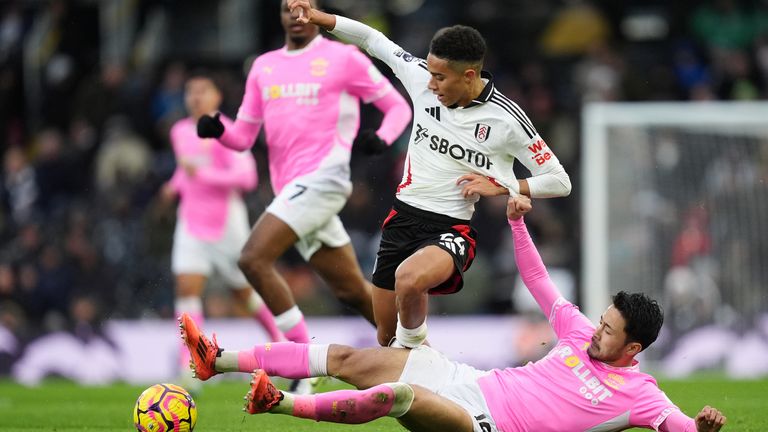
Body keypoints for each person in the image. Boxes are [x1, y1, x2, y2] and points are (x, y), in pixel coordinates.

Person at [178, 195, 727, 432]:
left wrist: (701, 428)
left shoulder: (642, 395)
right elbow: (537, 281)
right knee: (347, 357)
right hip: (473, 382)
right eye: (601, 321)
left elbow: (678, 428)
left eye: (608, 333)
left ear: (633, 349)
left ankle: (277, 406)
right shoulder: (581, 330)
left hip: (488, 426)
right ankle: (216, 360)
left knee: (400, 398)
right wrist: (515, 221)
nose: (595, 332)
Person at [285, 0, 572, 349]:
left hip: (452, 229)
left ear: (469, 75)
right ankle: (421, 369)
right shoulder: (422, 79)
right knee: (386, 338)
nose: (431, 84)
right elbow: (374, 40)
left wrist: (503, 185)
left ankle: (421, 364)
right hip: (402, 220)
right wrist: (319, 18)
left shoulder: (507, 119)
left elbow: (559, 180)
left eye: (440, 77)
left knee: (409, 280)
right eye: (431, 74)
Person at [195, 0, 412, 354]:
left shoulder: (345, 59)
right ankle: (423, 352)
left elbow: (398, 107)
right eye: (287, 9)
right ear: (279, 16)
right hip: (291, 192)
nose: (296, 16)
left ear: (316, 13)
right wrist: (218, 128)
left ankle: (299, 362)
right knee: (352, 292)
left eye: (304, 8)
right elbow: (244, 138)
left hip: (324, 180)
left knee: (252, 258)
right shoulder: (264, 67)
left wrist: (383, 138)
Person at [161, 73, 284, 388]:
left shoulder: (226, 131)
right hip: (190, 222)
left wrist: (203, 174)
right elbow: (185, 170)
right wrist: (174, 185)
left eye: (203, 90)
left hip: (227, 225)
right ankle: (189, 365)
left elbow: (247, 179)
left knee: (243, 294)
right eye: (190, 91)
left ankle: (282, 345)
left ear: (217, 96)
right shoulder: (180, 131)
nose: (195, 96)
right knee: (186, 288)